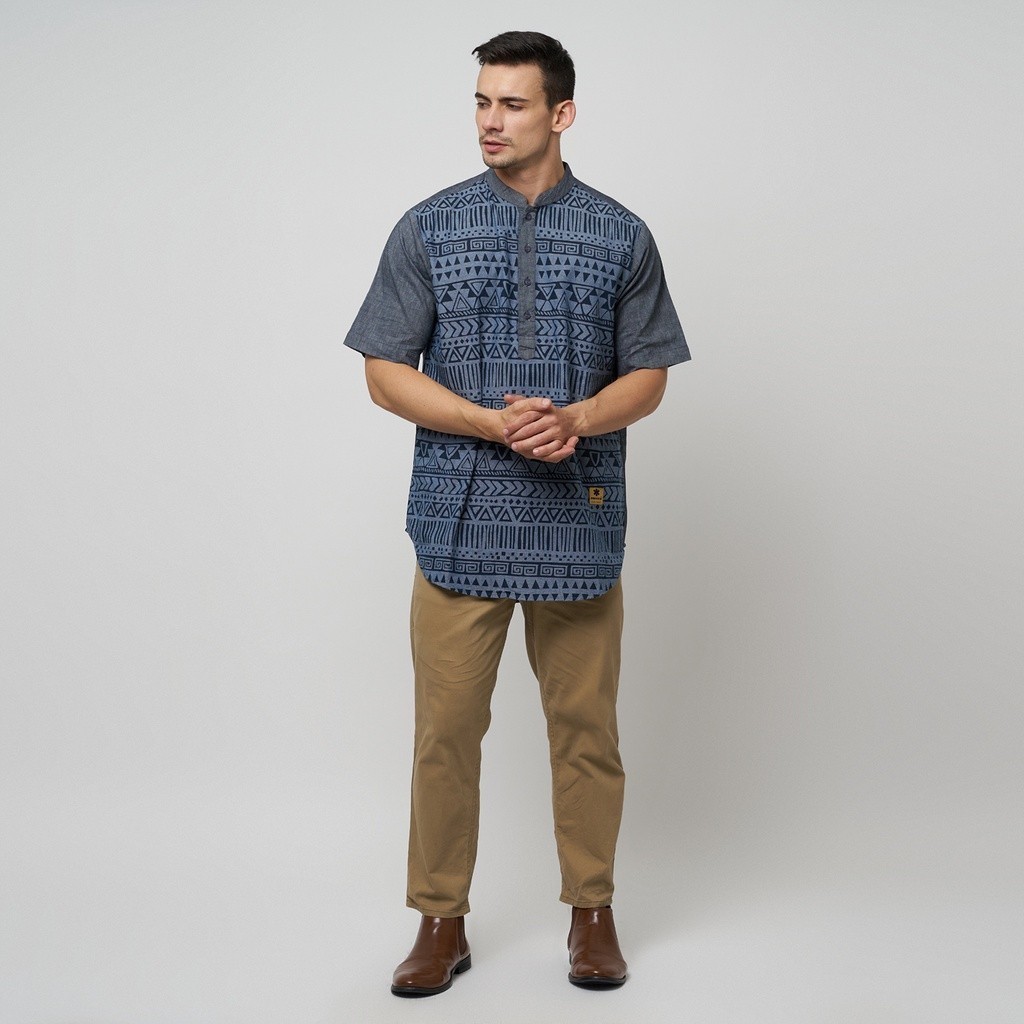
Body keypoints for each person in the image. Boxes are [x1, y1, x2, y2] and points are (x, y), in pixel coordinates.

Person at [344, 30, 689, 996]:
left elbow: (651, 374)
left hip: (579, 520)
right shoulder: (429, 227)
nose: (490, 122)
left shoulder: (622, 235)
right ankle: (439, 921)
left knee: (586, 732)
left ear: (561, 113)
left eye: (513, 104)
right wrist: (488, 424)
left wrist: (575, 417)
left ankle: (592, 913)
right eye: (482, 103)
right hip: (456, 520)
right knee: (444, 734)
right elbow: (383, 371)